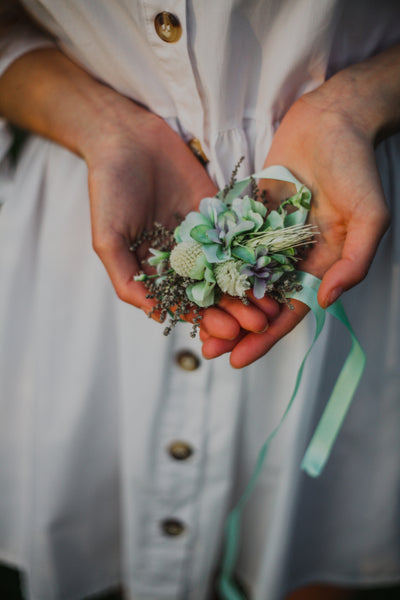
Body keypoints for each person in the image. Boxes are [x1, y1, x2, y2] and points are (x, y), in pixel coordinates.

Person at [0, 1, 399, 599]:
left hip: (337, 200)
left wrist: (357, 103)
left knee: (300, 551)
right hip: (92, 214)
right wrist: (100, 123)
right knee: (98, 545)